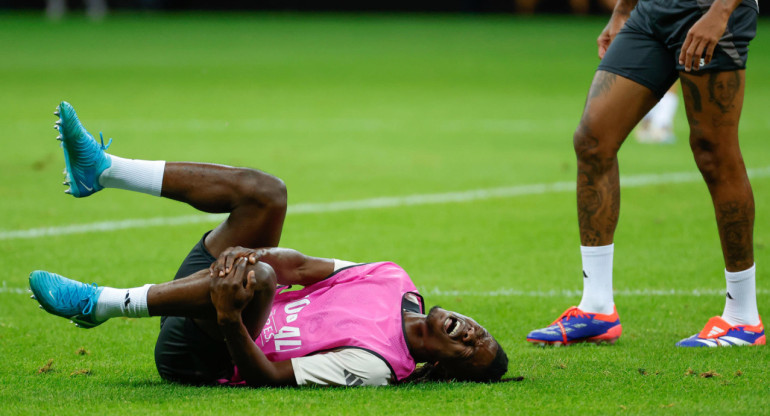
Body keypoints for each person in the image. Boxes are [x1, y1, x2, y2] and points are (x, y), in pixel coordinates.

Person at [30, 102, 508, 386]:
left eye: (470, 352)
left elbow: (270, 379)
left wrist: (228, 316)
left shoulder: (381, 364)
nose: (470, 335)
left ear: (445, 367)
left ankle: (104, 304)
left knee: (259, 280)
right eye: (480, 334)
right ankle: (105, 169)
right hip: (221, 290)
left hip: (206, 351)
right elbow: (298, 267)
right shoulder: (391, 277)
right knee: (267, 194)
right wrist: (248, 255)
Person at [526, 0, 764, 347]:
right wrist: (624, 9)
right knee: (593, 141)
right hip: (653, 12)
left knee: (715, 153)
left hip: (710, 9)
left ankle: (743, 317)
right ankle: (597, 308)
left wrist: (721, 12)